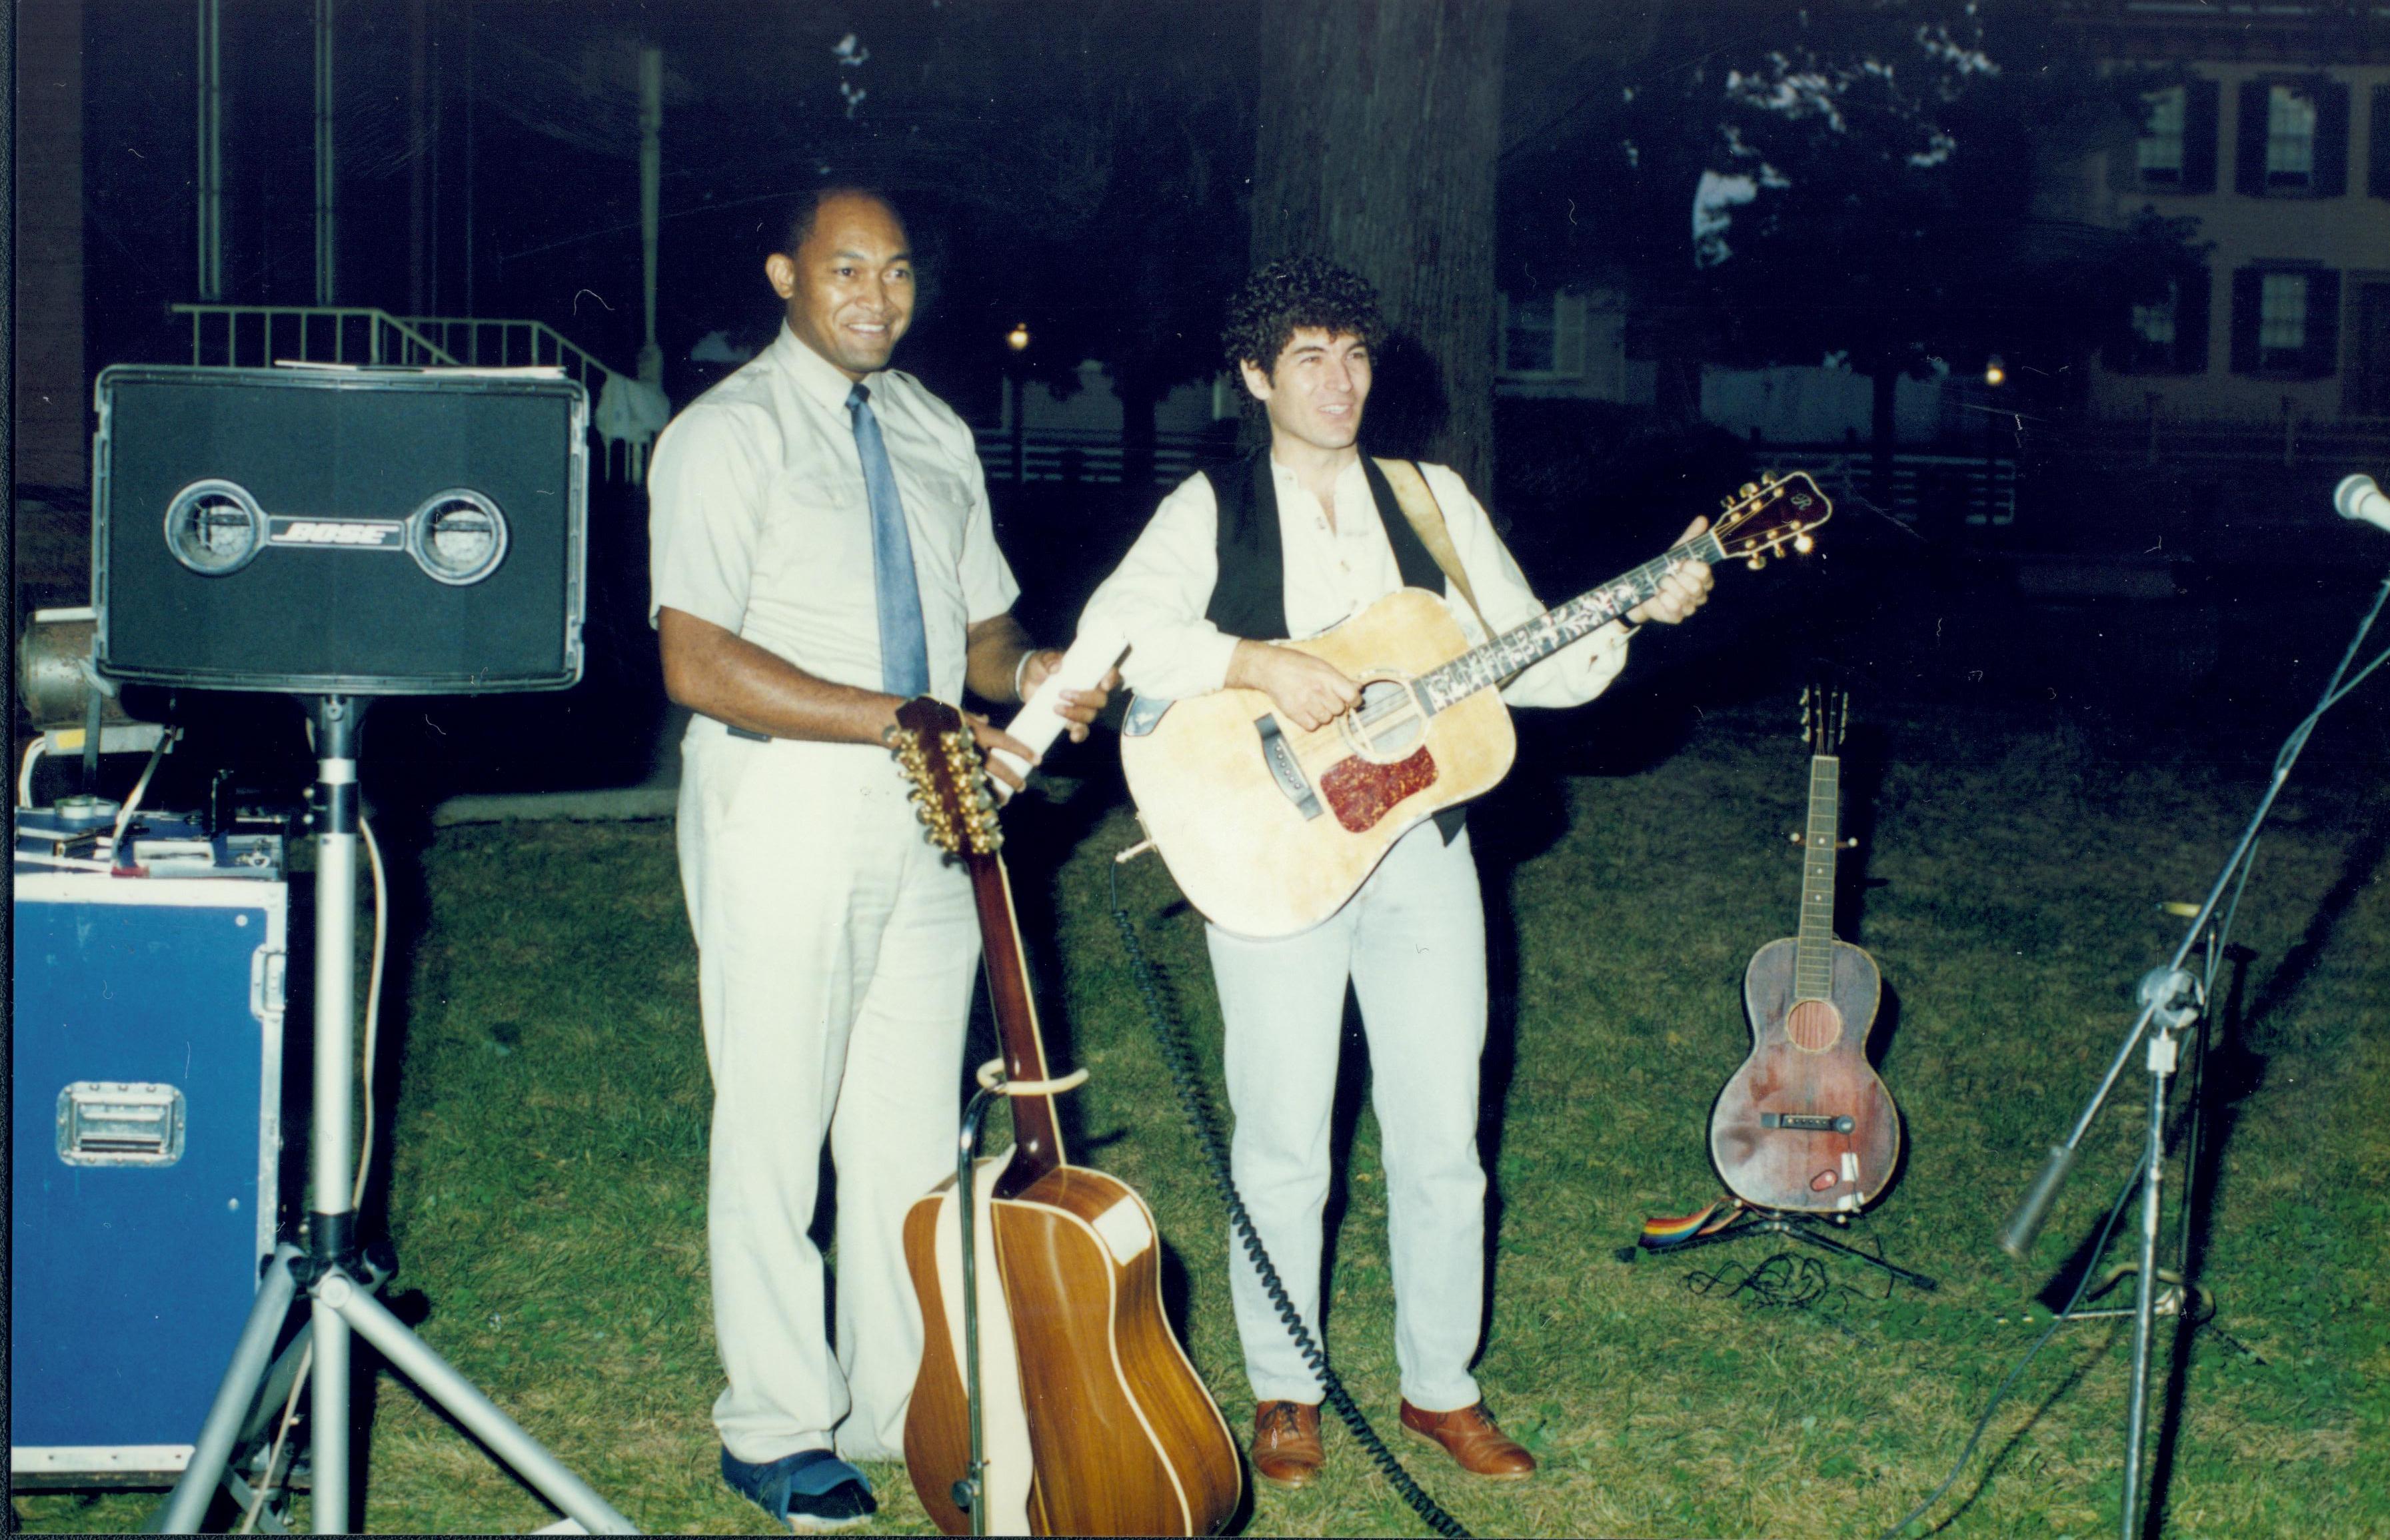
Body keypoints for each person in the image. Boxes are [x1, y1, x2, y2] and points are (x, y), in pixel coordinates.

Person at [1077, 258, 1714, 1488]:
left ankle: (1440, 1388)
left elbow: (1533, 661)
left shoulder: (1430, 502)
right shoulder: (1211, 507)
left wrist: (1638, 609)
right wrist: (1252, 661)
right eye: (1307, 358)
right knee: (1282, 1138)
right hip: (1271, 846)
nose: (1339, 381)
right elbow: (1114, 638)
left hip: (1421, 852)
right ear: (1257, 377)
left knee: (1441, 1137)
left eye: (1354, 355)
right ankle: (1284, 1388)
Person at [646, 186, 1110, 1533]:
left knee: (911, 1137)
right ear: (787, 274)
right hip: (787, 800)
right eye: (846, 268)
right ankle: (775, 1429)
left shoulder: (927, 428)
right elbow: (696, 658)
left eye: (896, 271)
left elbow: (976, 630)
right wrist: (894, 716)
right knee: (778, 1122)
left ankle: (897, 1408)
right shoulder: (722, 435)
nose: (875, 295)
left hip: (934, 815)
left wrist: (1028, 674)